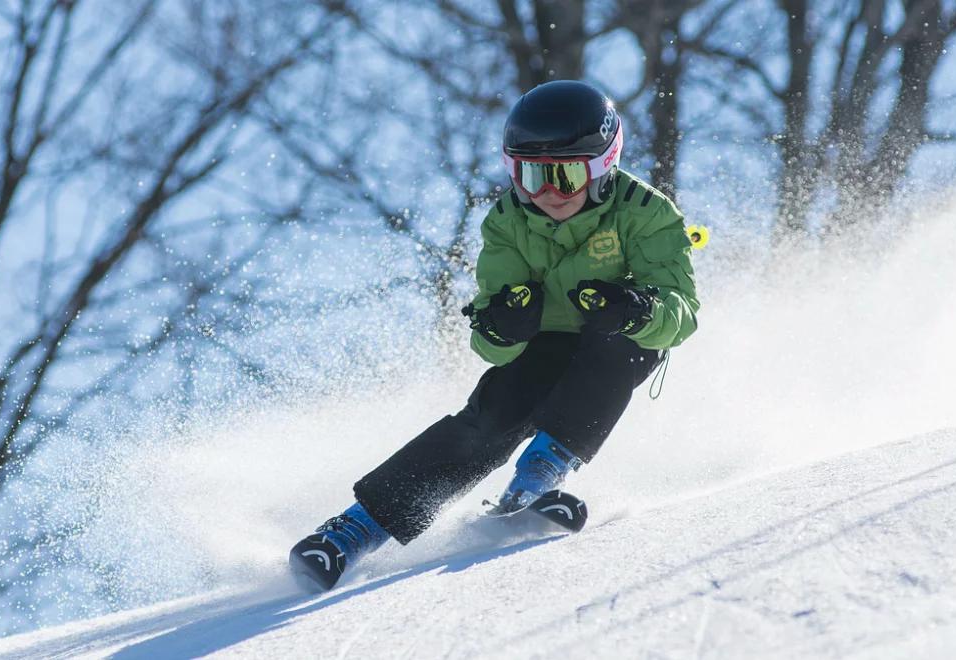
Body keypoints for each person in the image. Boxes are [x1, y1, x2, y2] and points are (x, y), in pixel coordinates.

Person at [289, 80, 700, 590]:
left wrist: (637, 309)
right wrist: (503, 326)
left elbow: (681, 313)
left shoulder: (646, 211)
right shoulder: (507, 220)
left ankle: (535, 480)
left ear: (602, 167)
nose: (547, 193)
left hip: (614, 337)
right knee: (493, 415)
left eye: (566, 176)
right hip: (543, 343)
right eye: (530, 176)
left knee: (624, 348)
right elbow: (488, 342)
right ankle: (353, 531)